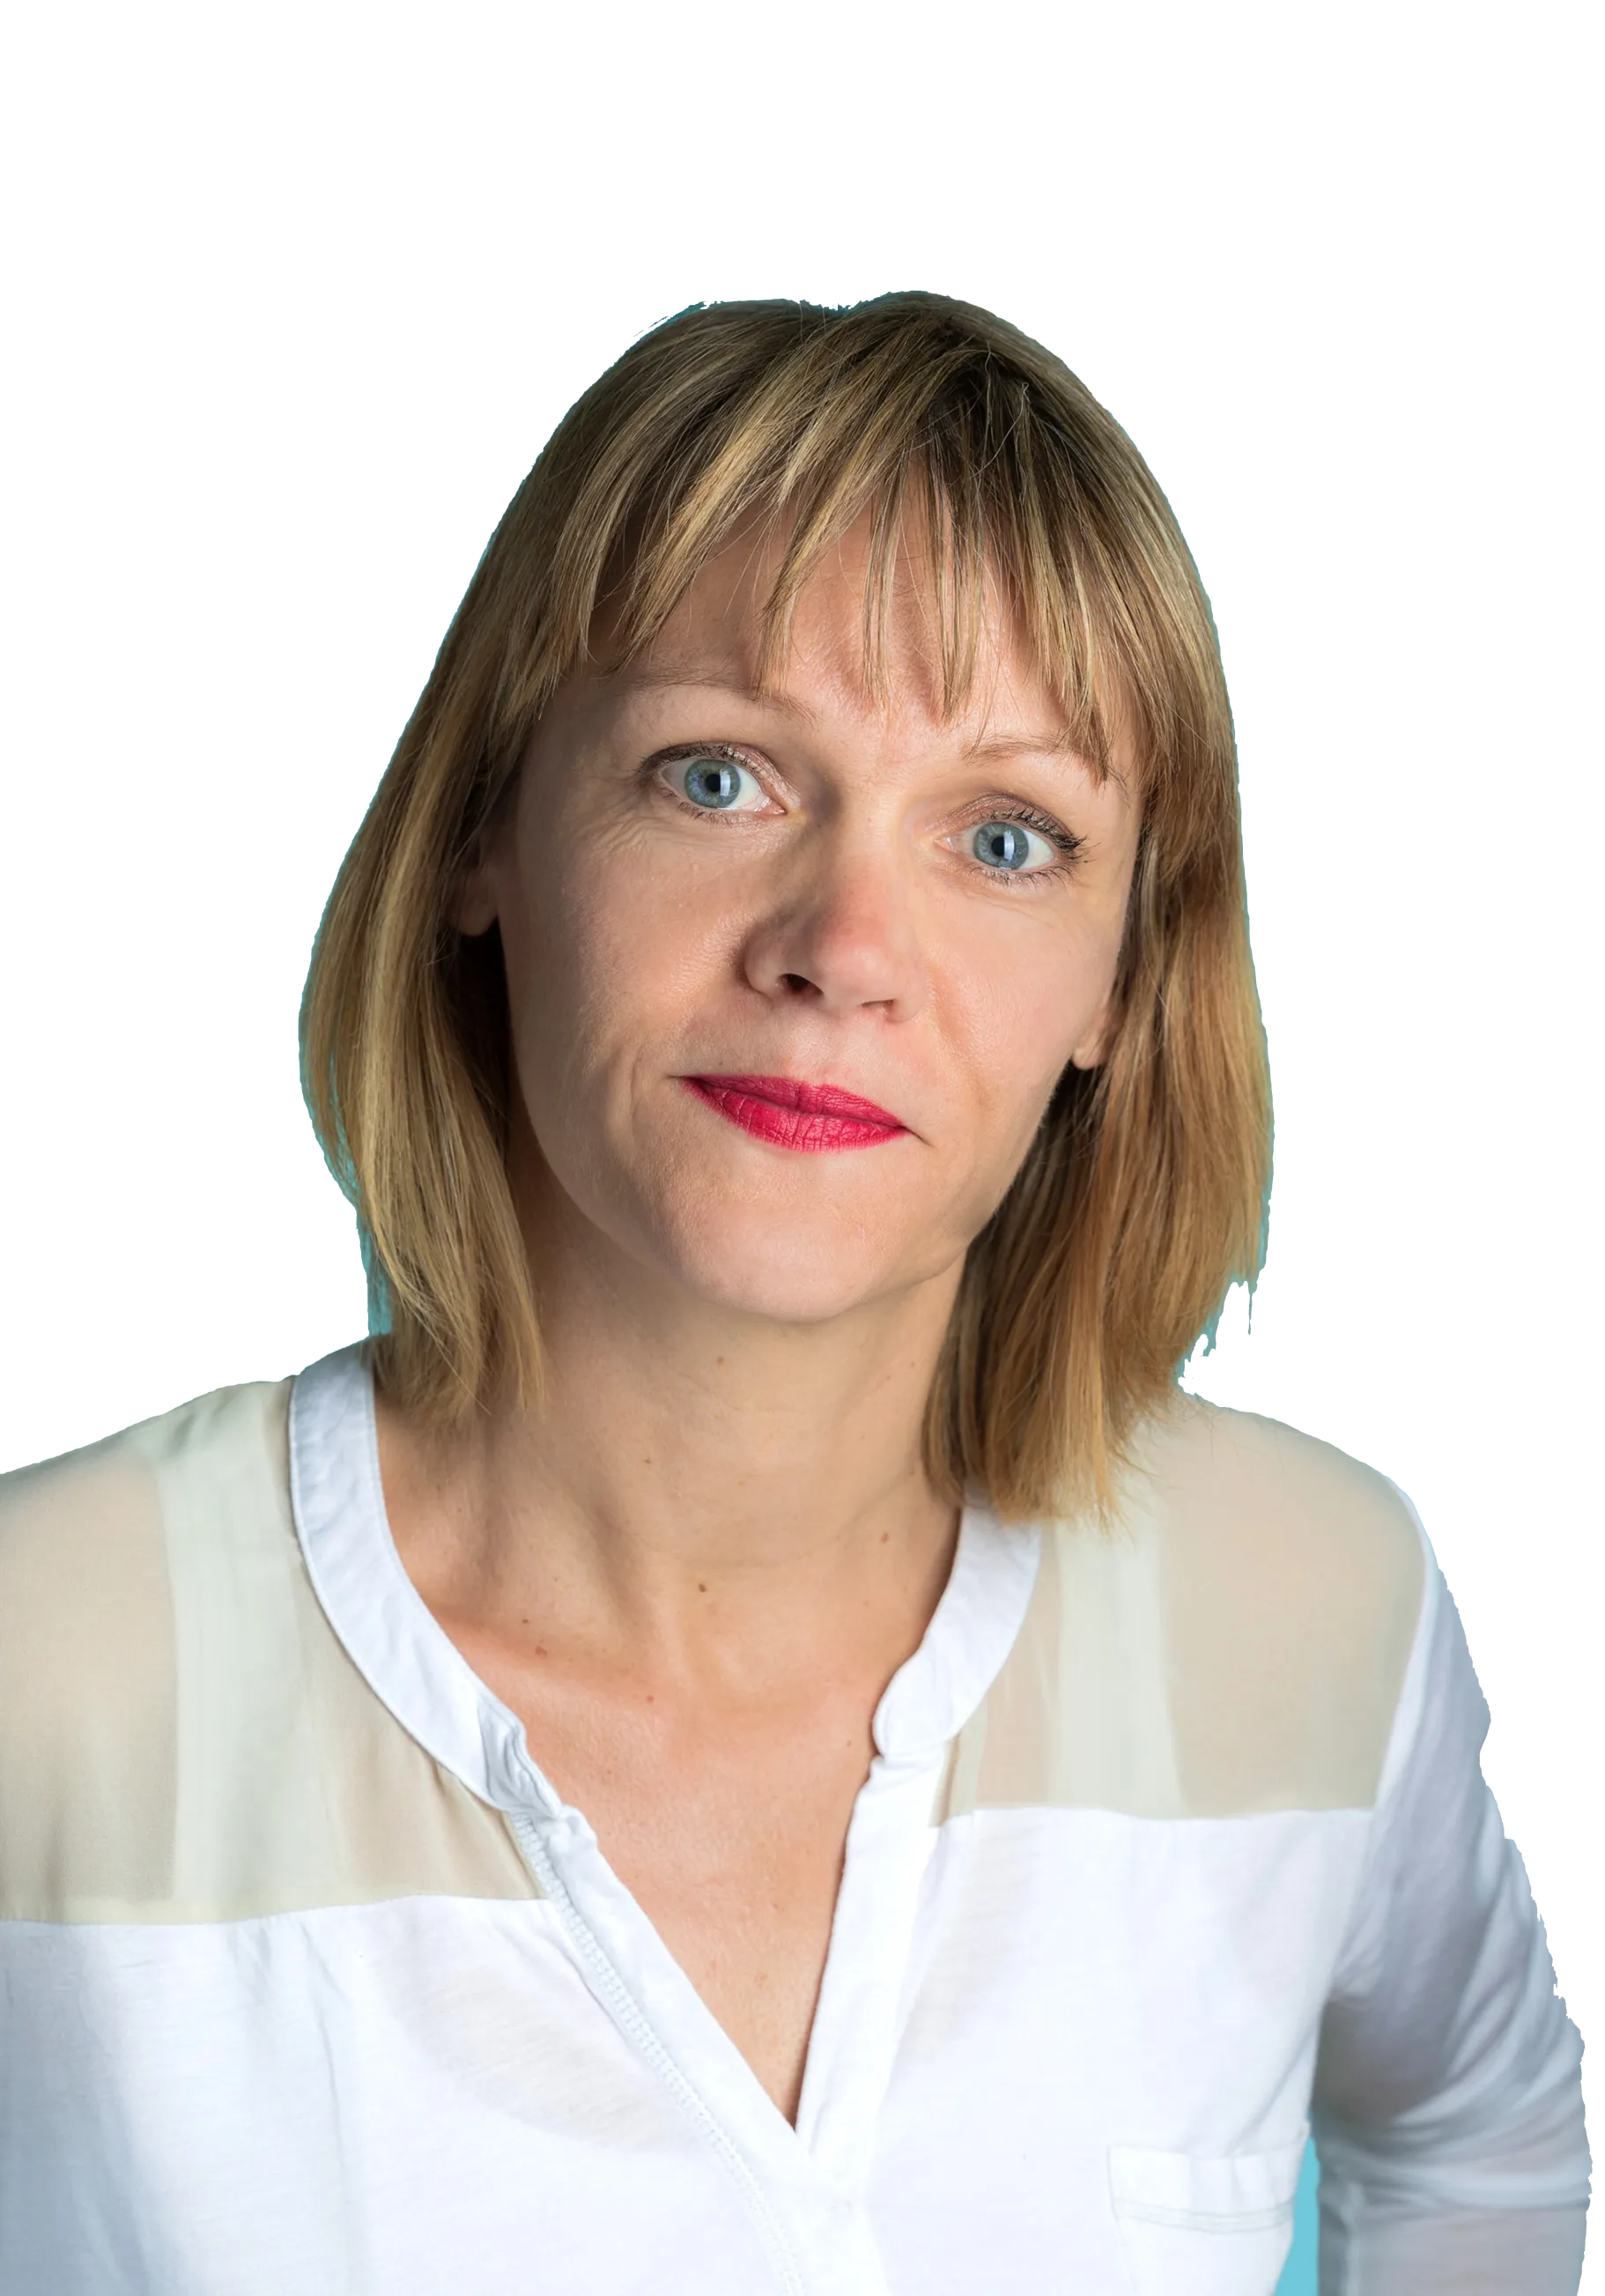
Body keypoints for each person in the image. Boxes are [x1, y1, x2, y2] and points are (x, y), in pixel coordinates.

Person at [0, 294, 1587, 2294]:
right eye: (717, 777)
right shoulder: (43, 1659)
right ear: (486, 831)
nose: (842, 945)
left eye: (1003, 835)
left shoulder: (1309, 1602)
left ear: (1120, 980)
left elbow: (1477, 2141)